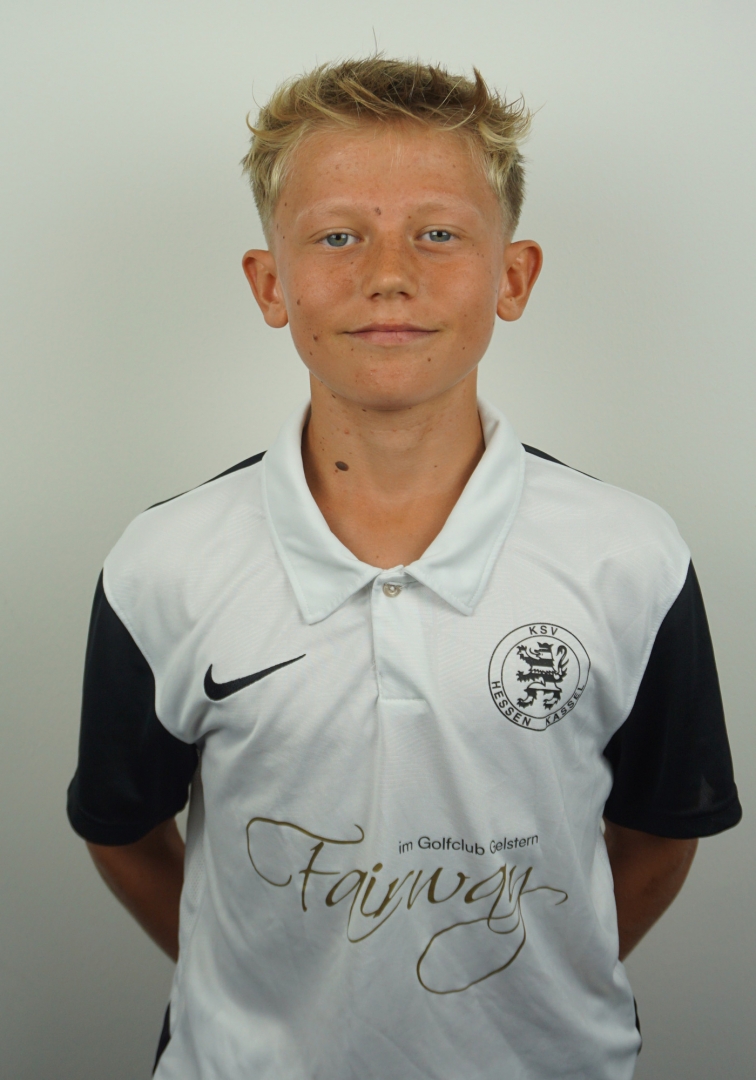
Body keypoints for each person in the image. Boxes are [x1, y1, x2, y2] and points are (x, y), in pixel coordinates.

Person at [67, 58, 741, 1080]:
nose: (389, 273)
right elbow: (124, 832)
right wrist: (273, 990)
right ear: (270, 283)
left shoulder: (630, 557)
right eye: (338, 236)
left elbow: (658, 834)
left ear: (513, 276)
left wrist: (523, 990)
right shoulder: (163, 566)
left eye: (439, 233)